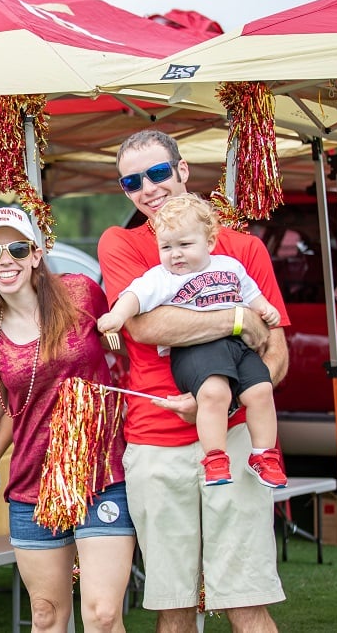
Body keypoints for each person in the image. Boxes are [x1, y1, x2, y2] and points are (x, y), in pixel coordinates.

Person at [97, 129, 289, 633]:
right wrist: (236, 320)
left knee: (247, 603)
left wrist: (219, 403)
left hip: (238, 438)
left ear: (183, 171)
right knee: (174, 608)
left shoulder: (244, 248)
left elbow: (278, 355)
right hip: (156, 441)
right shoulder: (123, 242)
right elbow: (145, 325)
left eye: (159, 172)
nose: (148, 188)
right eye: (132, 181)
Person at [0, 207, 134, 632]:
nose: (6, 260)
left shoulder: (82, 293)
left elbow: (127, 353)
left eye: (16, 248)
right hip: (33, 480)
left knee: (104, 615)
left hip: (102, 471)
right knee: (47, 616)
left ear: (35, 253)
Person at [96, 193, 286, 488]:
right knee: (213, 392)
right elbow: (134, 296)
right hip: (197, 348)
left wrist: (265, 309)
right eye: (166, 247)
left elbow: (251, 293)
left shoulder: (230, 265)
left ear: (209, 242)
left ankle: (263, 454)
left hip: (236, 347)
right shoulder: (163, 277)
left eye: (184, 245)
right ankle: (215, 457)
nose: (175, 255)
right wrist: (116, 317)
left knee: (261, 389)